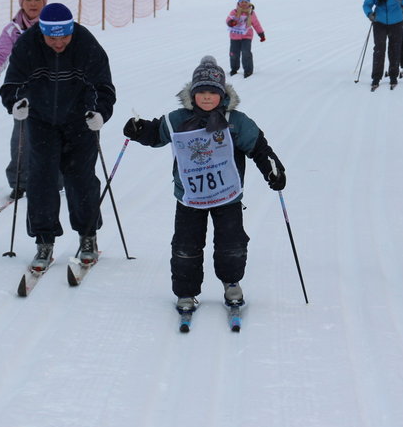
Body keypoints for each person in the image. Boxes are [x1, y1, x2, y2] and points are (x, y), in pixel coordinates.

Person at [122, 55, 286, 315]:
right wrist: (139, 129)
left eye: (213, 92)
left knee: (231, 244)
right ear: (193, 93)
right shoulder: (178, 119)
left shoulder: (236, 121)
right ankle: (186, 292)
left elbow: (258, 147)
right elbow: (157, 133)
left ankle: (232, 283)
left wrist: (273, 170)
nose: (207, 97)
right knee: (186, 246)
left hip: (227, 196)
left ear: (222, 94)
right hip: (190, 198)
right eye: (202, 92)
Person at [0, 3, 116, 272]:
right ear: (42, 32)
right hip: (41, 121)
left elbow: (103, 85)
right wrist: (16, 103)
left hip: (80, 120)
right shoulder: (28, 45)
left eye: (64, 36)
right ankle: (44, 240)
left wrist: (99, 112)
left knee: (81, 178)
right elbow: (12, 83)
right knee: (41, 178)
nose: (59, 42)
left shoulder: (86, 43)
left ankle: (88, 237)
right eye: (52, 37)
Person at [0, 0, 48, 199]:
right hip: (24, 89)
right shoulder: (13, 30)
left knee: (54, 135)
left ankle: (55, 180)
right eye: (28, 0)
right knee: (22, 137)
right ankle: (20, 182)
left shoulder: (52, 24)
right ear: (21, 3)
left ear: (44, 3)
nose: (33, 4)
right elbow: (1, 53)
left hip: (52, 87)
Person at [226, 0, 265, 78]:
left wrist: (261, 34)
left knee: (246, 52)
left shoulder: (251, 13)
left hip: (246, 36)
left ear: (249, 2)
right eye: (242, 1)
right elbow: (228, 20)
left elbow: (256, 24)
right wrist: (231, 22)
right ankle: (234, 69)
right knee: (234, 54)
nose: (244, 4)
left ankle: (248, 71)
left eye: (246, 2)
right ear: (239, 2)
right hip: (234, 36)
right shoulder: (234, 12)